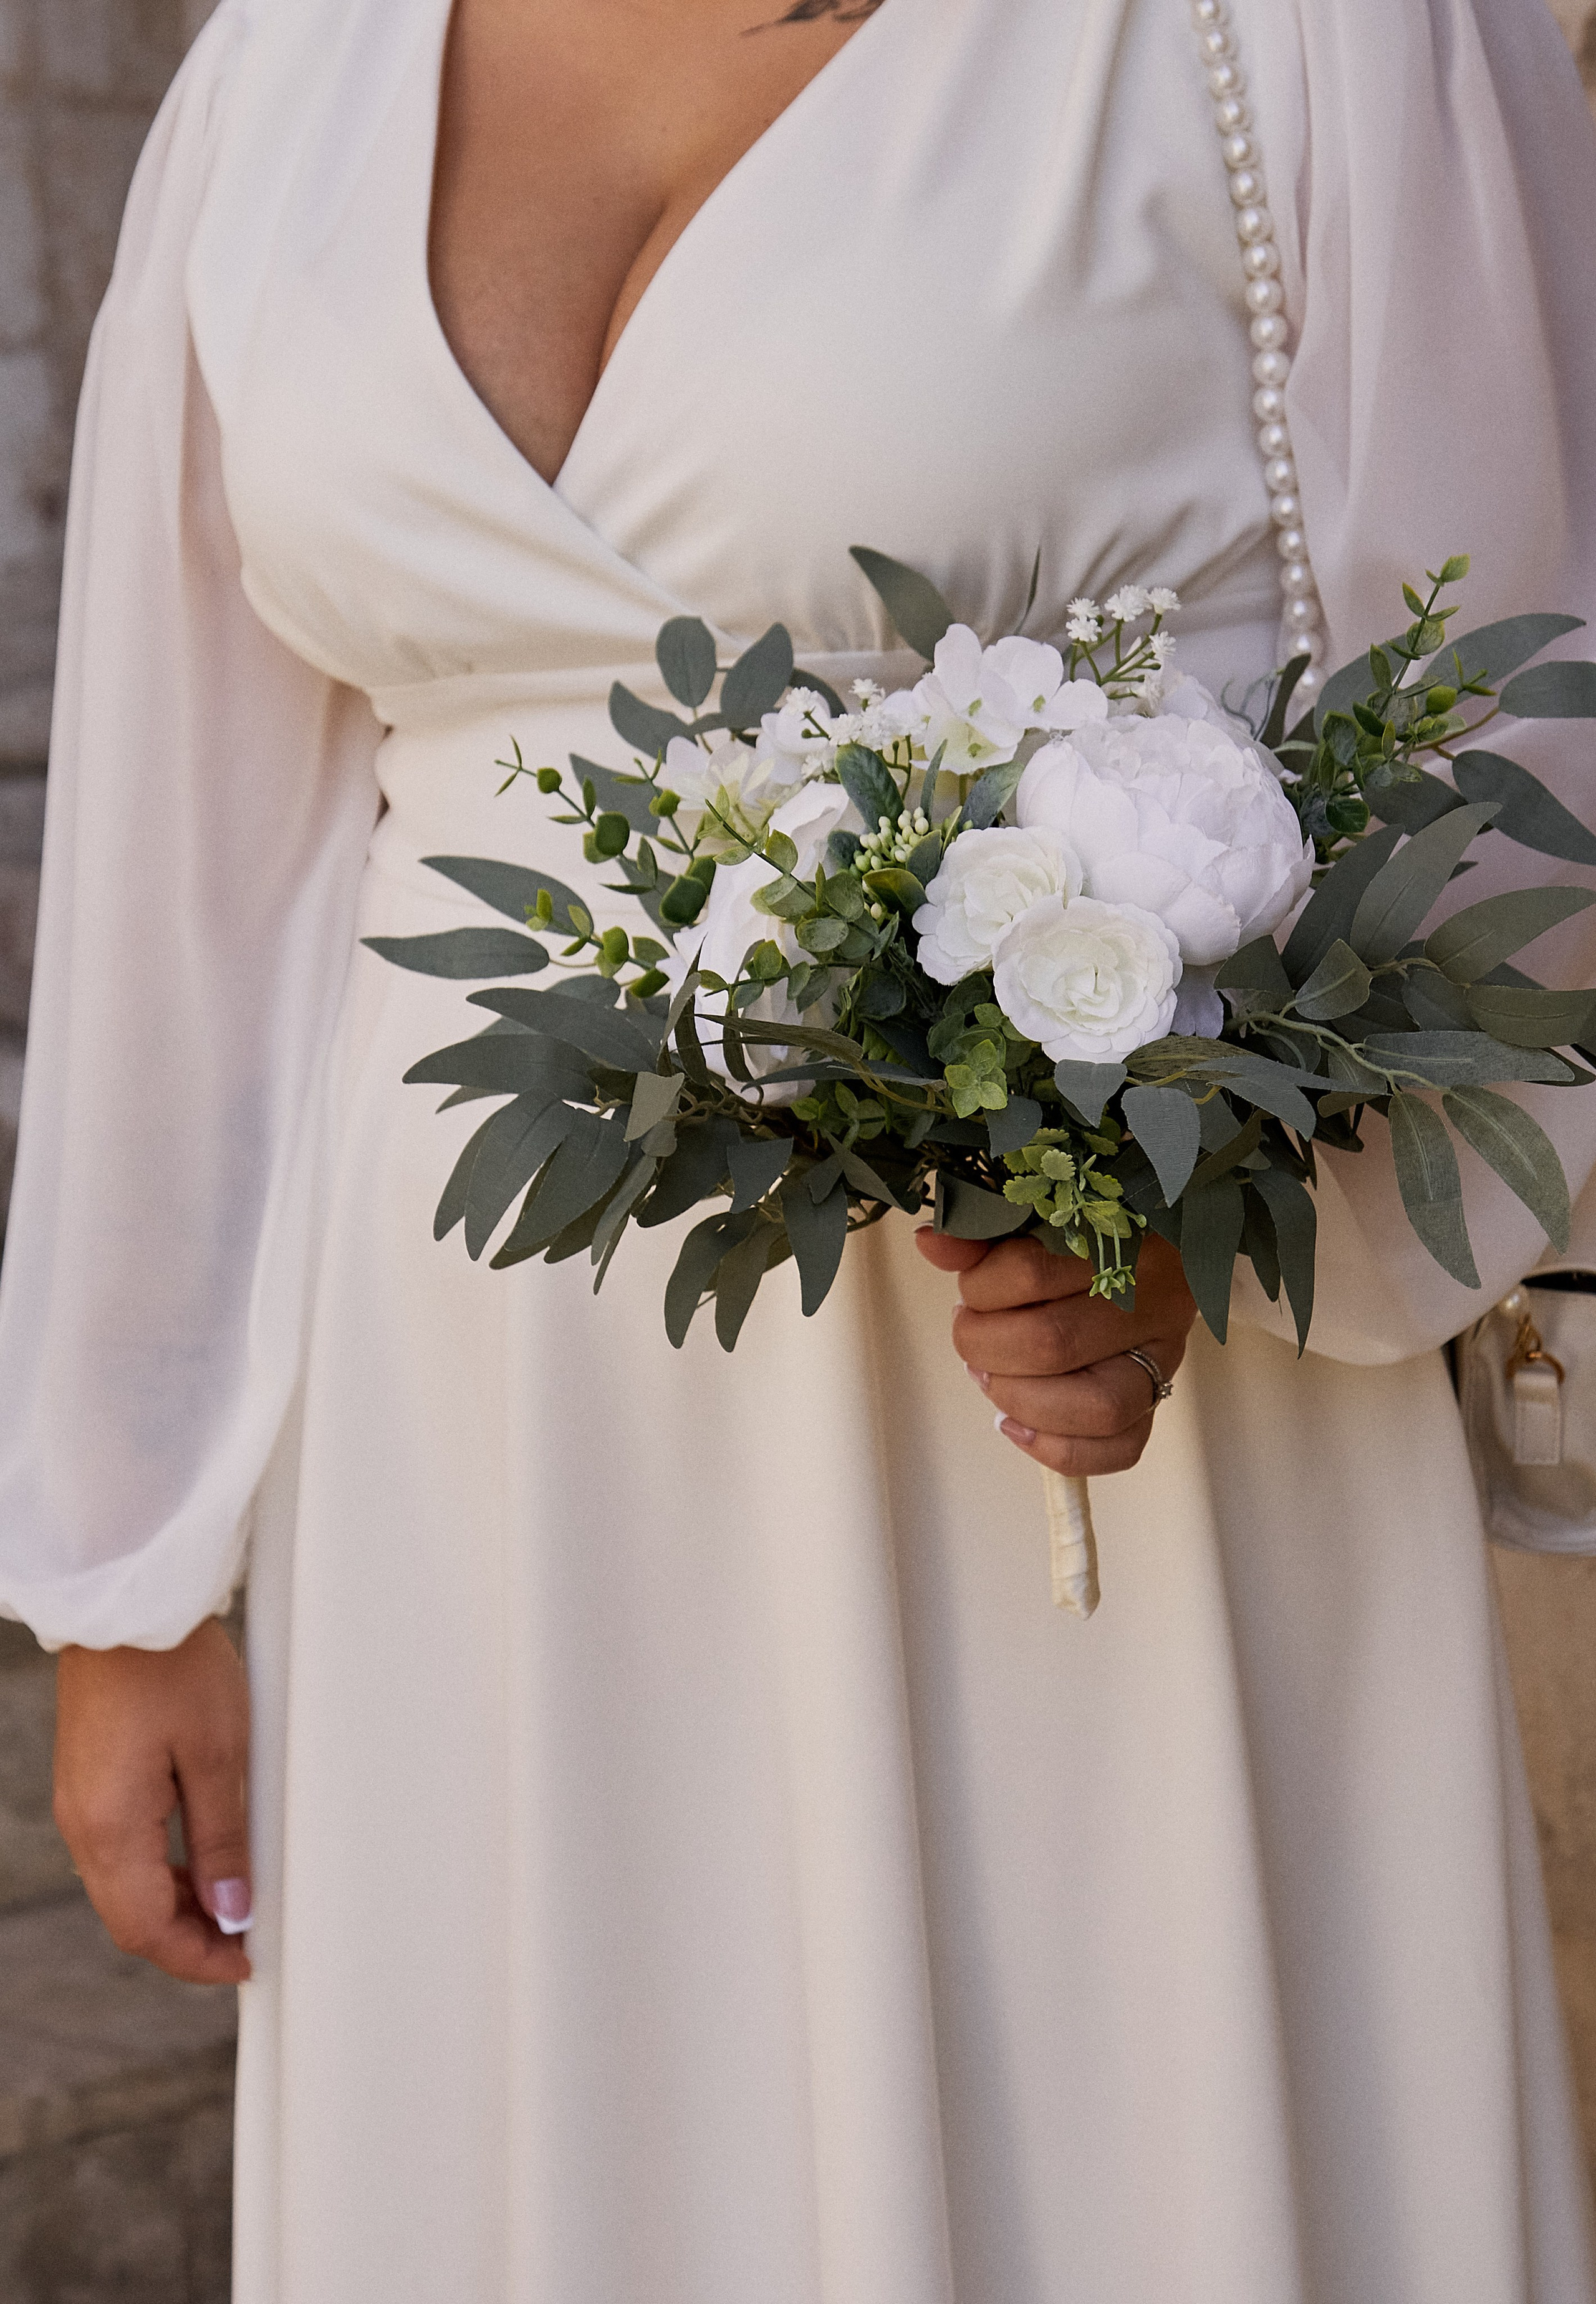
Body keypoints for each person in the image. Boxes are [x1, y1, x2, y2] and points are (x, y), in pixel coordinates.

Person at [5, 0, 1596, 2295]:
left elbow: (1524, 727)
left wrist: (1223, 1213)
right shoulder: (296, 57)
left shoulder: (1308, 34)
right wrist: (132, 1568)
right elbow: (190, 858)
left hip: (1085, 1427)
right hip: (471, 1472)